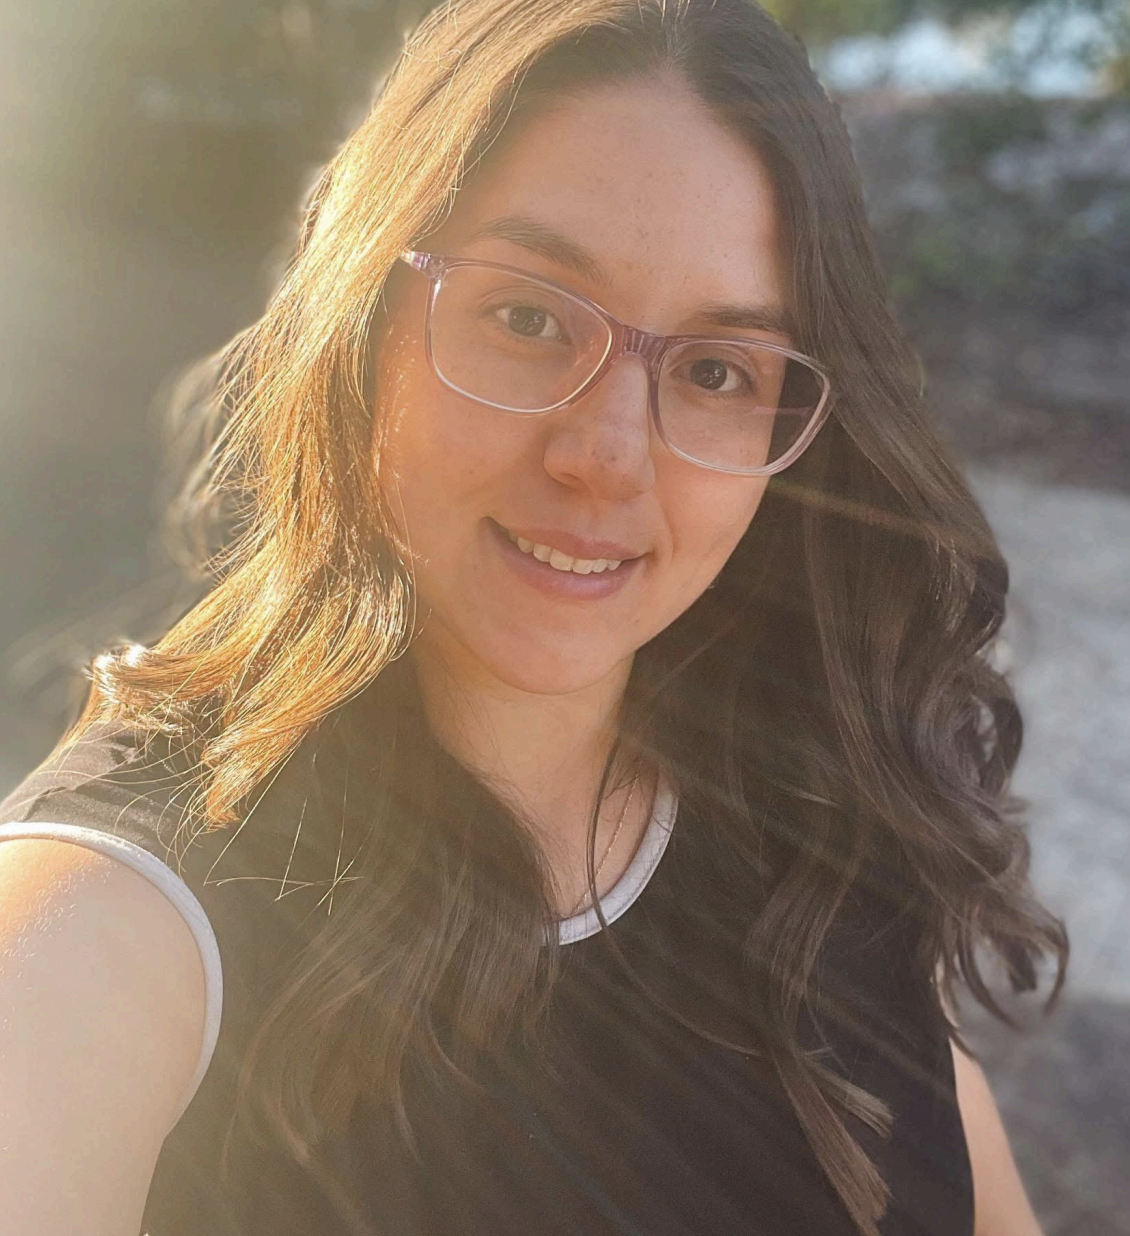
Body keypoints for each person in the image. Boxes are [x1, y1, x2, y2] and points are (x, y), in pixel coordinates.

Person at [0, 1, 1068, 1233]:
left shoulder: (820, 820)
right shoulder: (134, 920)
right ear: (363, 320)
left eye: (717, 371)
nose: (604, 458)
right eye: (526, 317)